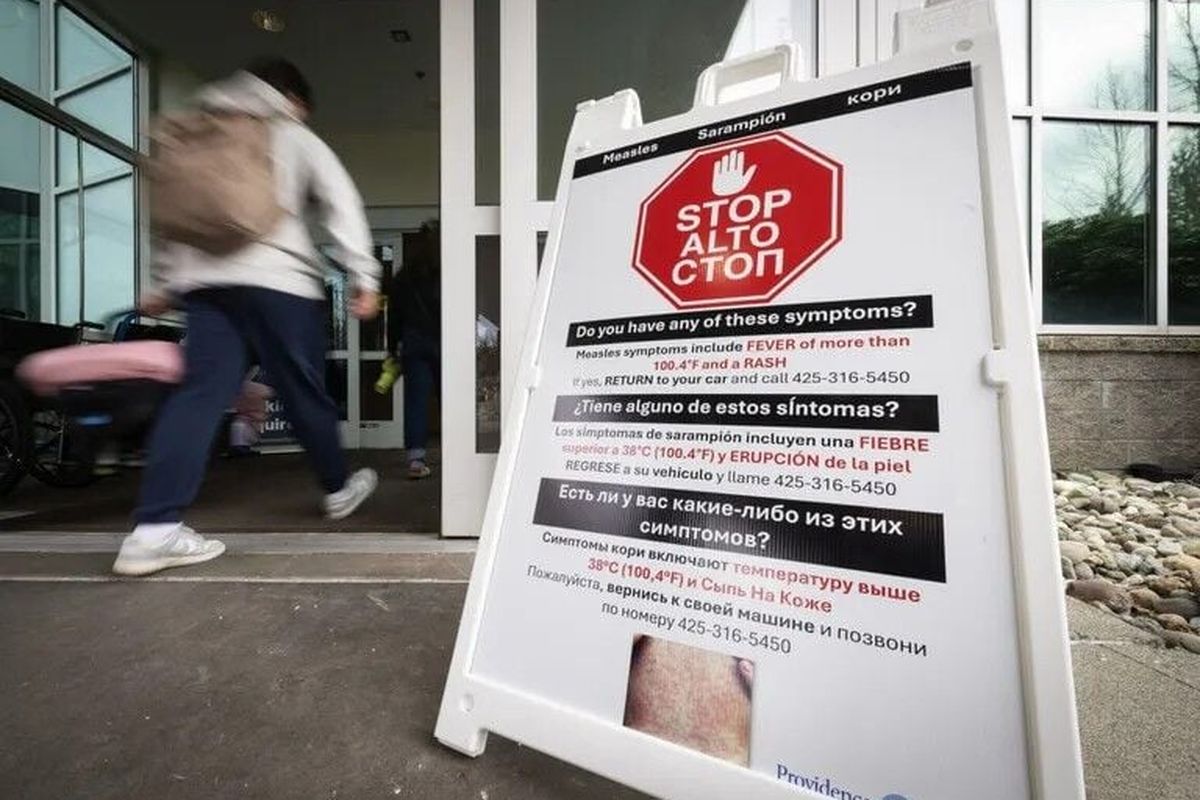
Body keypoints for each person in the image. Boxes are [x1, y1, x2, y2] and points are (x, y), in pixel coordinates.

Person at [113, 58, 381, 576]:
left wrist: (164, 282)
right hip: (280, 283)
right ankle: (337, 489)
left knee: (198, 396)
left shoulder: (198, 130)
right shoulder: (289, 133)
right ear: (293, 100)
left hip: (206, 289)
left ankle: (152, 532)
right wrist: (364, 276)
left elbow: (169, 215)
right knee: (304, 391)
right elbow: (340, 201)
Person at [386, 221, 441, 479]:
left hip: (414, 343)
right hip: (443, 342)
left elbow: (394, 316)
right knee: (451, 399)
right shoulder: (447, 271)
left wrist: (392, 347)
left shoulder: (403, 276)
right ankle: (458, 454)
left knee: (416, 401)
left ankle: (416, 461)